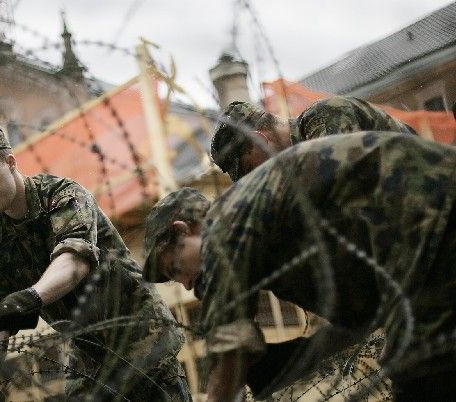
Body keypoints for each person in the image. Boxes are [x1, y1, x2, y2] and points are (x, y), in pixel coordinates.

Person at [142, 132, 456, 401]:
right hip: (428, 215)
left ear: (185, 230)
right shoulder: (258, 228)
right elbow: (359, 317)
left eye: (175, 269)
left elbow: (228, 353)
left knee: (425, 375)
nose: (186, 285)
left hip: (426, 216)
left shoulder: (225, 227)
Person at [0, 122, 191, 401]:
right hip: (87, 348)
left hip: (138, 329)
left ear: (10, 162)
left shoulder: (63, 196)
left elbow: (74, 264)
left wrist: (29, 299)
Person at [210, 96, 416, 181]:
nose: (257, 178)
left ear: (260, 140)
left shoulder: (322, 117)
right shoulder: (300, 158)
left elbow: (339, 188)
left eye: (248, 169)